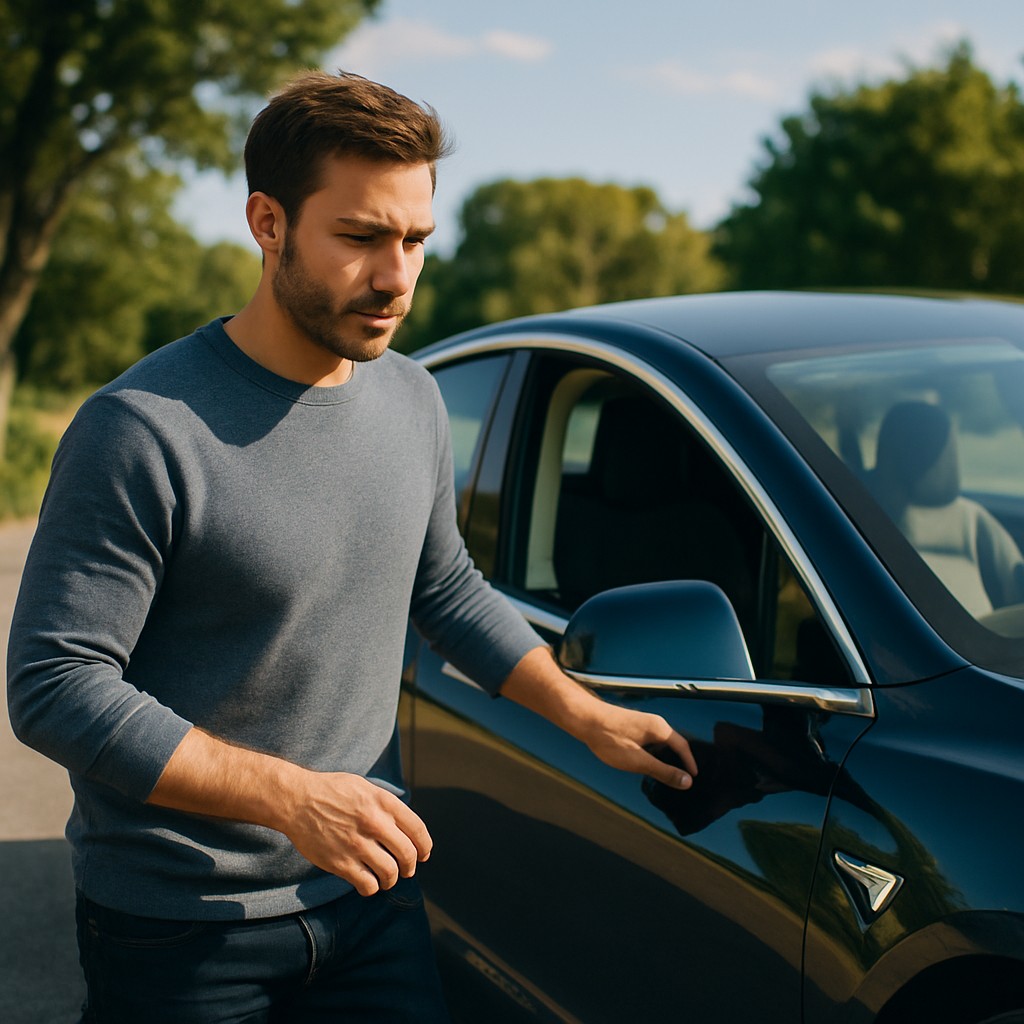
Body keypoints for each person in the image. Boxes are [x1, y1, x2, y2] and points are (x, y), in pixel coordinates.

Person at [7, 70, 697, 1023]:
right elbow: (55, 683)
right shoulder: (140, 428)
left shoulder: (413, 401)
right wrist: (294, 799)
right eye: (362, 237)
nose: (397, 276)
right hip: (179, 931)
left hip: (371, 902)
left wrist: (584, 716)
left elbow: (446, 589)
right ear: (268, 222)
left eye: (415, 240)